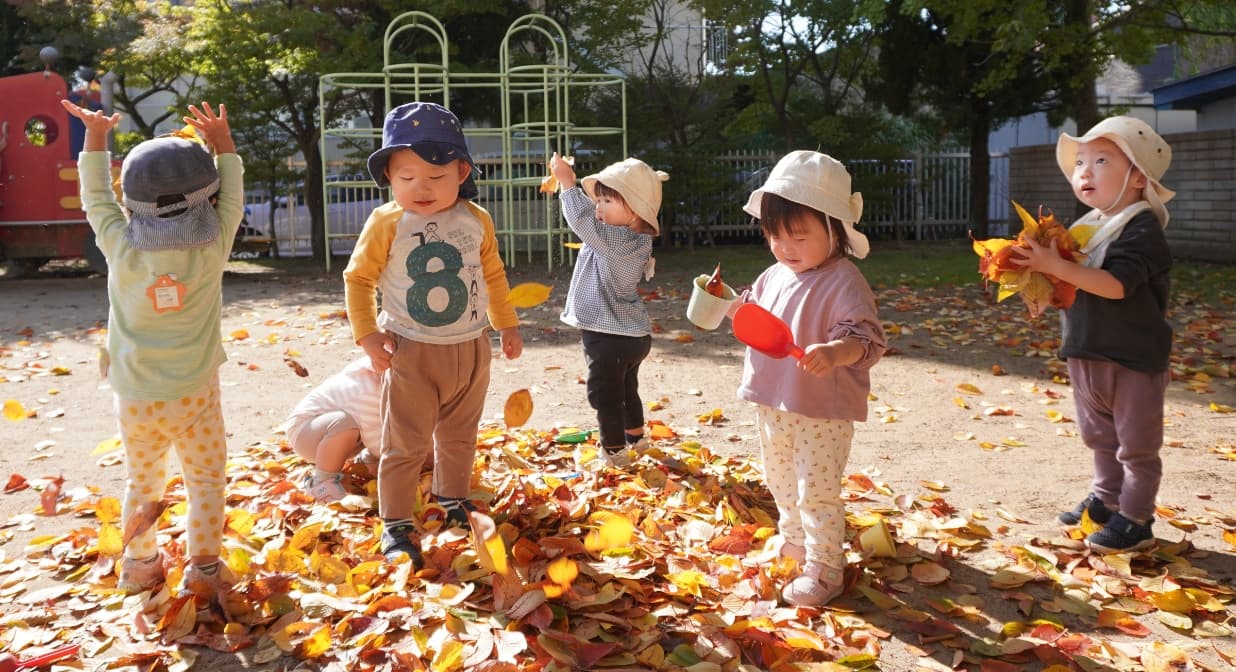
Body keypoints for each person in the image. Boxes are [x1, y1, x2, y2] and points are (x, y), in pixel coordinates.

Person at [59, 99, 244, 596]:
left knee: (142, 483)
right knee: (206, 480)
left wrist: (95, 139)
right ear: (207, 194)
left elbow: (95, 198)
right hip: (196, 394)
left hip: (135, 395)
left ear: (132, 199)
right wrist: (223, 143)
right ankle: (204, 572)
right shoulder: (213, 245)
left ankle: (140, 567)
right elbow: (234, 202)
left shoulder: (120, 244)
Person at [344, 102, 523, 567]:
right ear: (388, 177)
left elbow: (493, 275)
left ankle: (452, 500)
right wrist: (366, 334)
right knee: (406, 442)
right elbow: (358, 279)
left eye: (436, 176)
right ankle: (397, 523)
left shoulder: (476, 219)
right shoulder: (386, 222)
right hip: (411, 349)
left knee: (460, 435)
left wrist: (507, 323)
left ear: (462, 171)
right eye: (406, 177)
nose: (420, 188)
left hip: (470, 347)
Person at [727, 151, 886, 607]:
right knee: (779, 479)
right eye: (774, 235)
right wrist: (729, 304)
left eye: (798, 236)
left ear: (835, 230)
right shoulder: (774, 274)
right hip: (772, 401)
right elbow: (753, 312)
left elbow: (867, 340)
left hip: (821, 409)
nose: (784, 246)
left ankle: (825, 567)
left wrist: (837, 352)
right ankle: (794, 541)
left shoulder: (845, 282)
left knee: (815, 490)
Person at [1011, 116, 1174, 554]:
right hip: (1087, 351)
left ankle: (1136, 519)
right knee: (1099, 437)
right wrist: (1043, 291)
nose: (1084, 170)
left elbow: (1116, 285)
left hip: (1132, 358)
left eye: (1102, 160)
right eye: (1080, 161)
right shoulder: (1086, 227)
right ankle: (1106, 500)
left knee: (1136, 445)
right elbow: (1072, 285)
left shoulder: (1142, 230)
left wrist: (1057, 267)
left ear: (1139, 177)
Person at [548, 152, 666, 469]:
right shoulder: (632, 238)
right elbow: (591, 218)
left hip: (609, 335)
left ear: (635, 210)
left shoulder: (614, 240)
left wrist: (567, 183)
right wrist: (571, 190)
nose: (597, 207)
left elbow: (580, 219)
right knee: (627, 390)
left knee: (605, 397)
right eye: (597, 199)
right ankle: (636, 438)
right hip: (631, 334)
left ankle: (614, 453)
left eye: (606, 201)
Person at [282, 356, 383, 503]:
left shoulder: (376, 376)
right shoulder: (369, 390)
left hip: (335, 433)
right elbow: (377, 439)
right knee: (346, 422)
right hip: (305, 434)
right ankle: (321, 484)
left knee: (377, 424)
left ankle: (364, 461)